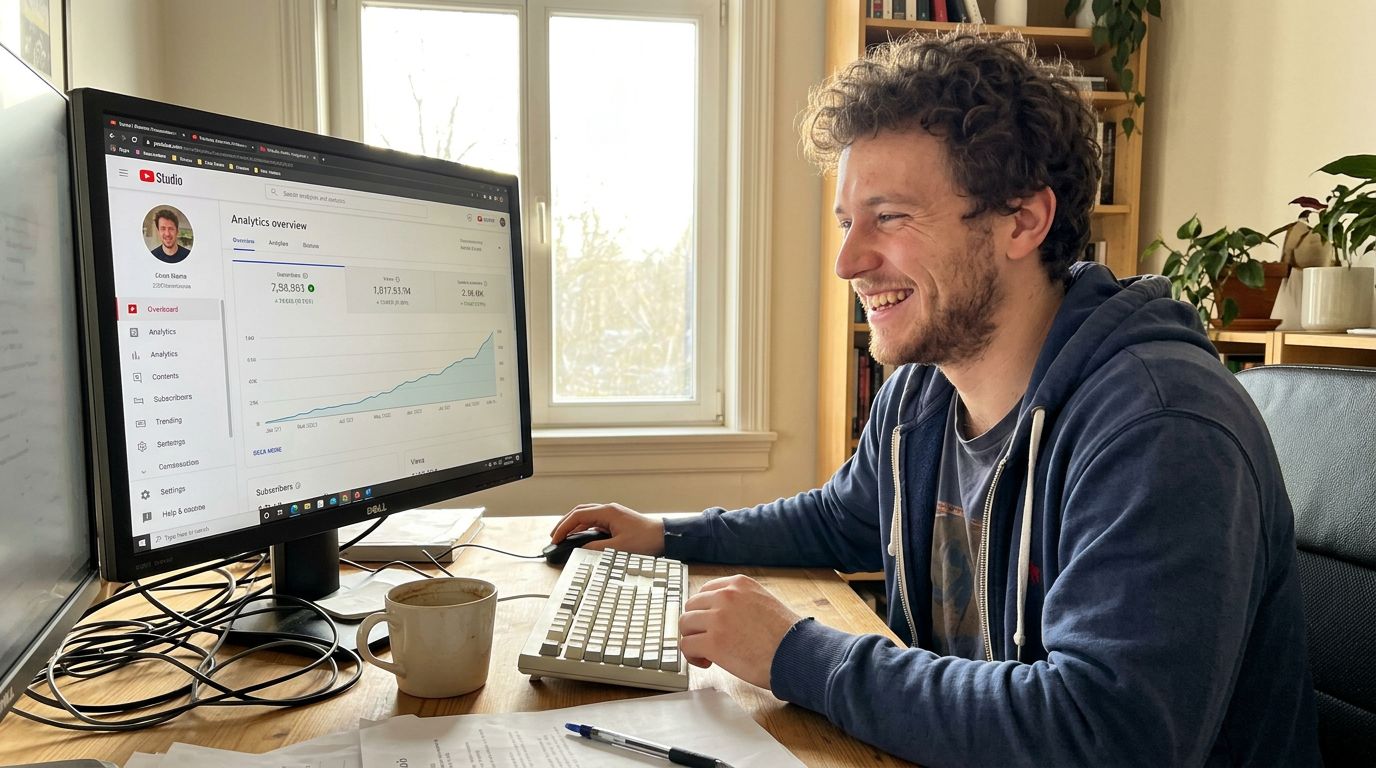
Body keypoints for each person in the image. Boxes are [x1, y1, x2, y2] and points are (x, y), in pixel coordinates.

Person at [550, 32, 1320, 767]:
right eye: (849, 221)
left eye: (889, 217)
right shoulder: (924, 391)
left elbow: (1107, 735)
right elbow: (843, 518)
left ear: (1023, 219)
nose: (849, 260)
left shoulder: (1159, 425)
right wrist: (666, 533)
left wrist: (794, 654)